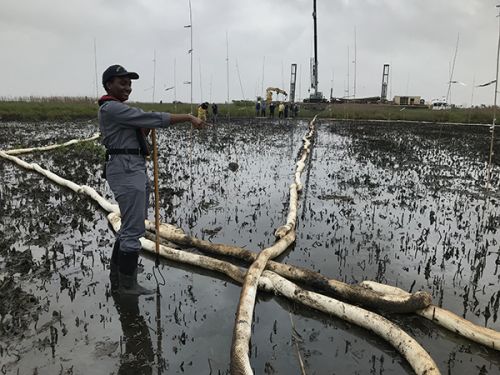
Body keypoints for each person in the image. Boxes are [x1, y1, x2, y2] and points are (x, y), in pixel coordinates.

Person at [98, 64, 204, 295]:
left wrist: (144, 129)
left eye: (129, 84)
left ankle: (117, 277)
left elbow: (140, 127)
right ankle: (127, 285)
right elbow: (150, 117)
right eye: (122, 83)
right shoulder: (111, 108)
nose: (127, 87)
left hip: (133, 166)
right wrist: (187, 117)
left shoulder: (119, 109)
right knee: (134, 228)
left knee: (129, 224)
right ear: (109, 85)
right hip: (125, 169)